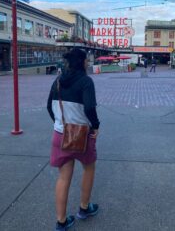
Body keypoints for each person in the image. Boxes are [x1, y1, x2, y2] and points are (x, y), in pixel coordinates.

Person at [47, 48, 100, 231]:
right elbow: (90, 109)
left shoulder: (58, 82)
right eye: (87, 60)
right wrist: (96, 126)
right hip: (82, 135)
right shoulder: (86, 82)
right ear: (83, 62)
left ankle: (61, 221)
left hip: (60, 135)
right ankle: (84, 208)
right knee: (89, 168)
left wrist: (60, 124)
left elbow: (49, 107)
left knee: (63, 177)